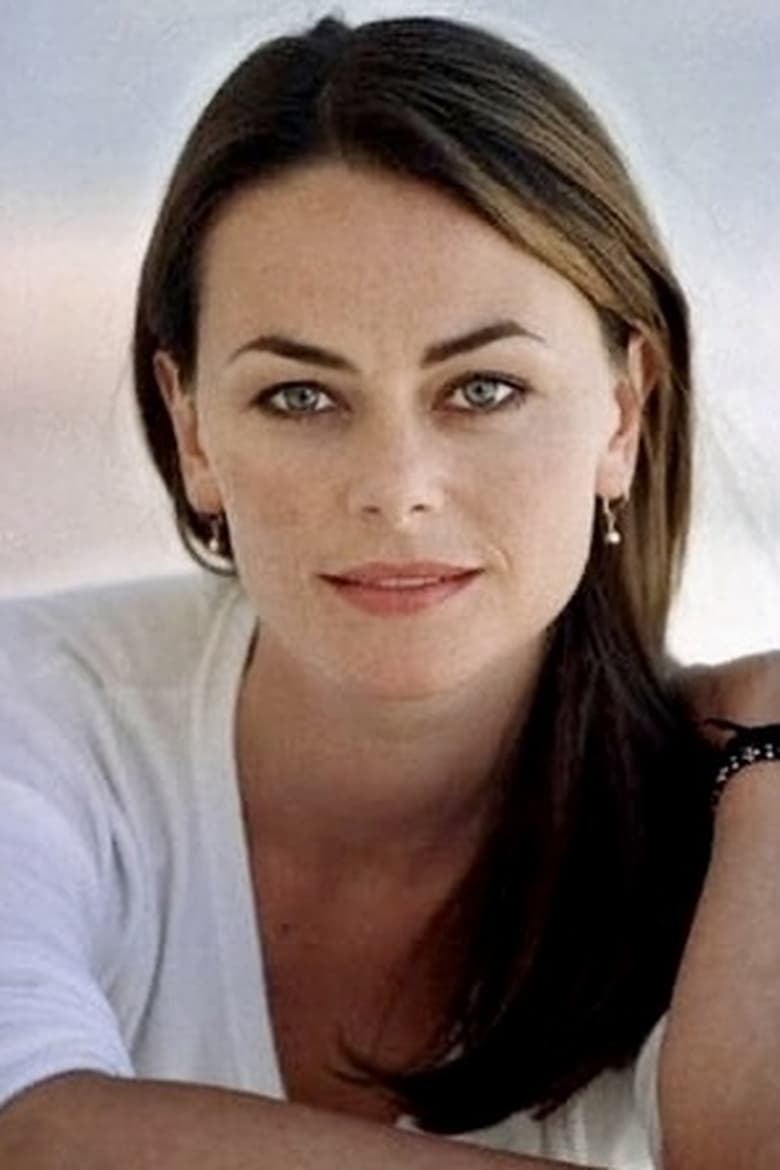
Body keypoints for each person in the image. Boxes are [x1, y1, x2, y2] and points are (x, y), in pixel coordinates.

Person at [0, 13, 778, 1170]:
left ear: (623, 415)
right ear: (192, 427)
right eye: (301, 397)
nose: (396, 490)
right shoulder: (36, 713)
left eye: (484, 389)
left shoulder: (740, 803)